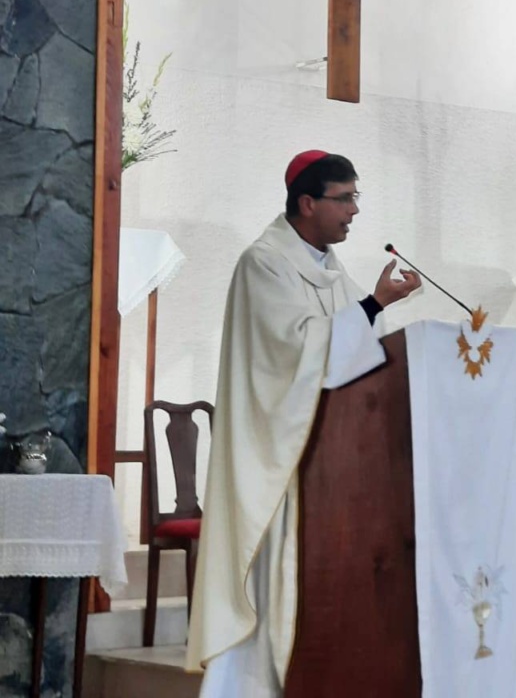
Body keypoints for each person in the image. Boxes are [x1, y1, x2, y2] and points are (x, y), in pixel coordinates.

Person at [185, 150, 421, 697]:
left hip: (331, 465)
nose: (354, 210)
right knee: (276, 593)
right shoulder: (263, 264)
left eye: (356, 197)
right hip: (279, 462)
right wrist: (373, 305)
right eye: (345, 198)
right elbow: (295, 353)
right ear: (308, 202)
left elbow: (357, 355)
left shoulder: (331, 270)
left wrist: (375, 310)